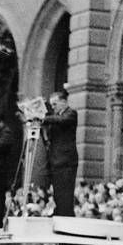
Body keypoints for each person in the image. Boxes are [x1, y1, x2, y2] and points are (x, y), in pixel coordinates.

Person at [41, 89, 79, 217]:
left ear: (63, 102)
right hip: (55, 160)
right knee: (58, 194)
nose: (53, 107)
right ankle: (60, 215)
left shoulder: (71, 113)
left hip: (66, 161)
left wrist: (43, 118)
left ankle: (66, 218)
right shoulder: (55, 118)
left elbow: (62, 120)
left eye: (55, 104)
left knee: (65, 195)